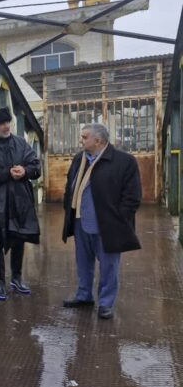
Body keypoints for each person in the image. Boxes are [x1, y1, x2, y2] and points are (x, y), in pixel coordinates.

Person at [62, 123, 141, 320]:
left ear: (98, 140)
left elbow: (132, 197)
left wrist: (118, 219)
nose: (81, 140)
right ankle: (84, 296)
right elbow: (70, 186)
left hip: (108, 225)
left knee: (108, 266)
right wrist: (68, 208)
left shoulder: (124, 161)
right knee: (83, 262)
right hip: (81, 222)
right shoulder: (80, 159)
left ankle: (106, 304)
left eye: (85, 137)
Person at [0, 107, 41, 301]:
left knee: (19, 240)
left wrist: (26, 171)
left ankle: (17, 278)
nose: (6, 126)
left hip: (19, 203)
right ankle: (0, 283)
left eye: (7, 122)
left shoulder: (21, 143)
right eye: (1, 123)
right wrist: (7, 174)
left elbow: (36, 166)